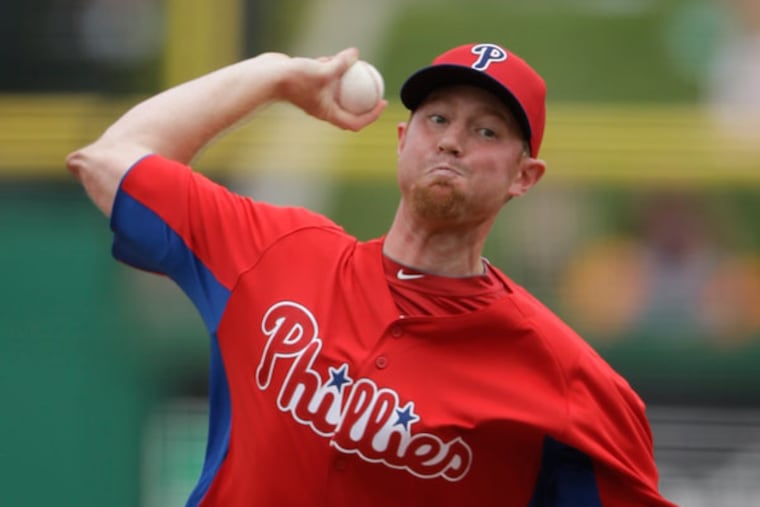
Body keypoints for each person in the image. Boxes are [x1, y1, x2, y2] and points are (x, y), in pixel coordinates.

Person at [66, 42, 676, 506]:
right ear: (404, 139)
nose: (453, 142)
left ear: (525, 176)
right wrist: (275, 75)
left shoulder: (562, 377)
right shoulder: (278, 252)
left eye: (486, 130)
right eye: (438, 120)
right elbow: (107, 158)